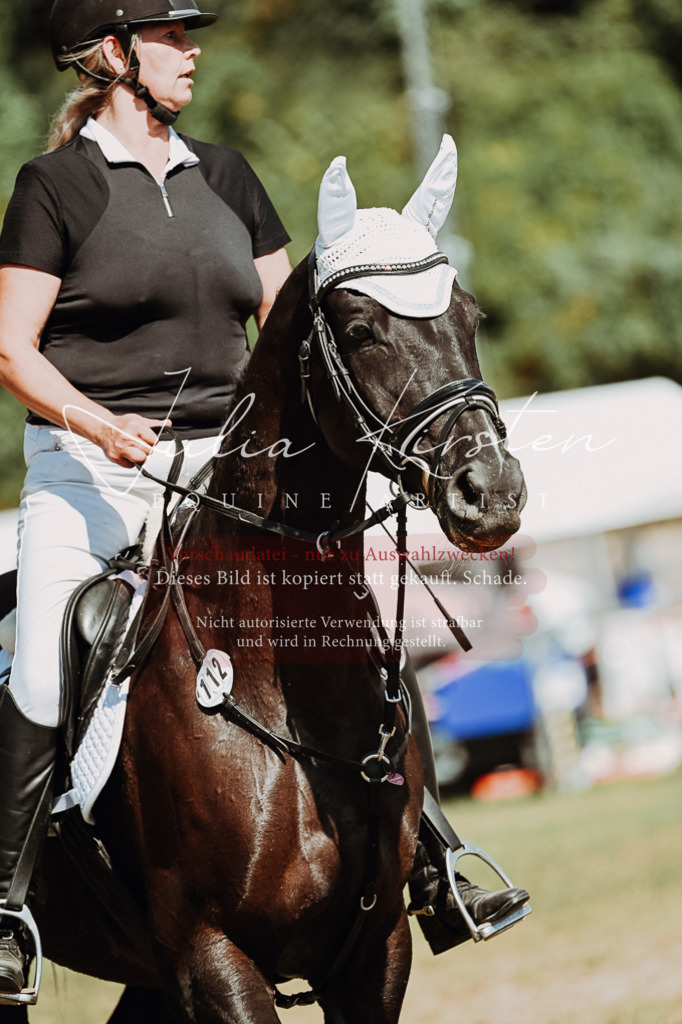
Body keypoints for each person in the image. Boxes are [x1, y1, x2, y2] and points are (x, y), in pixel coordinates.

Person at [0, 0, 527, 997]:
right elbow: (10, 348)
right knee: (41, 658)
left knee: (350, 633)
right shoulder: (53, 189)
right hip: (93, 475)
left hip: (230, 473)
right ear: (107, 55)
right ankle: (8, 906)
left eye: (190, 34)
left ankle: (429, 856)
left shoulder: (229, 178)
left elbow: (303, 332)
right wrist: (98, 424)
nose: (191, 49)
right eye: (170, 35)